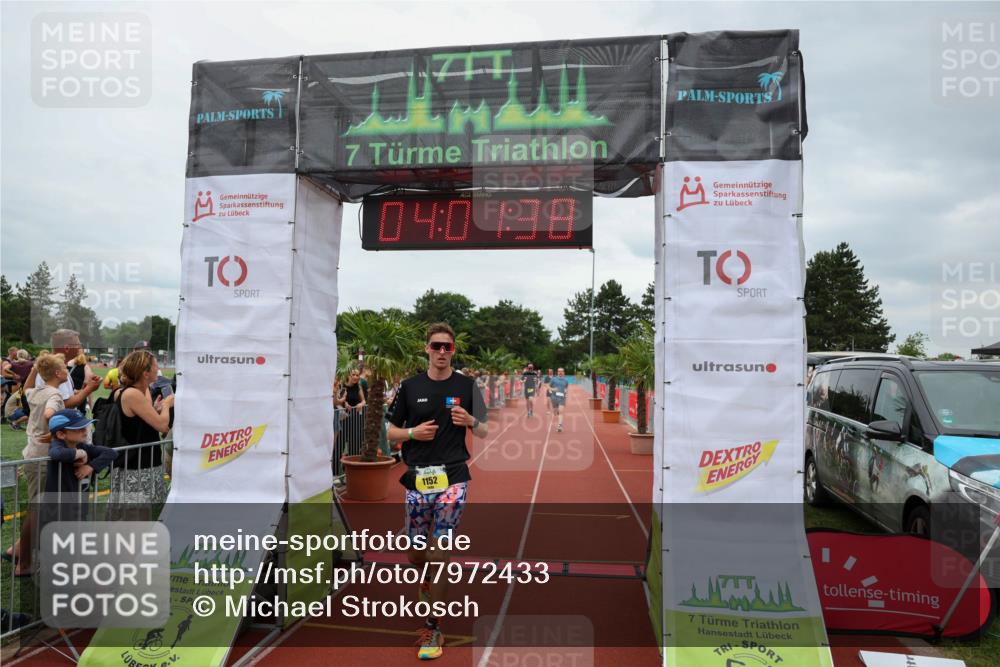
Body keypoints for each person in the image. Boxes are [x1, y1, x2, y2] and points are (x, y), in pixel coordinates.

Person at [386, 323, 488, 661]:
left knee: (440, 552)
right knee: (417, 556)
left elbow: (485, 430)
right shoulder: (409, 386)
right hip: (417, 479)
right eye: (436, 346)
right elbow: (389, 433)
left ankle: (433, 627)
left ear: (453, 350)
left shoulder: (467, 386)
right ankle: (426, 580)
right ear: (426, 349)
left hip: (454, 476)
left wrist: (471, 421)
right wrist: (413, 433)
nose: (442, 352)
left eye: (447, 347)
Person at [5, 353, 69, 575]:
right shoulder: (55, 395)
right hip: (42, 457)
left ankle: (22, 554)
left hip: (33, 455)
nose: (67, 370)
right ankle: (23, 564)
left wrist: (33, 371)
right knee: (36, 509)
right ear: (59, 373)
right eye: (64, 367)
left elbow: (28, 388)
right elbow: (52, 413)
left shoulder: (36, 392)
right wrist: (57, 433)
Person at [113, 349, 173, 505]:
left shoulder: (138, 391)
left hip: (142, 464)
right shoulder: (132, 393)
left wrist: (155, 409)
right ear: (145, 373)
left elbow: (144, 421)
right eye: (155, 365)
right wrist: (167, 404)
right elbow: (162, 426)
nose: (158, 368)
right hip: (137, 466)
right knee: (136, 516)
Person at [24, 330, 102, 415]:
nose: (80, 347)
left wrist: (85, 388)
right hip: (57, 425)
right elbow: (65, 404)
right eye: (77, 344)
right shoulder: (54, 368)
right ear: (67, 348)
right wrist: (89, 389)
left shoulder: (54, 365)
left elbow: (64, 395)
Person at [45, 409, 117, 498]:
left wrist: (91, 466)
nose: (85, 431)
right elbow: (57, 454)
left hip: (80, 500)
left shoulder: (82, 445)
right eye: (78, 428)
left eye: (85, 426)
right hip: (58, 503)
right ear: (61, 434)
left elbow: (111, 452)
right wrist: (81, 453)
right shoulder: (56, 444)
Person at [549, 367, 570, 432]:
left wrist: (565, 392)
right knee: (555, 412)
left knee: (561, 412)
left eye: (561, 371)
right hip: (554, 398)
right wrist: (553, 389)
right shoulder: (553, 379)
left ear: (563, 372)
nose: (560, 372)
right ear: (557, 372)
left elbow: (566, 388)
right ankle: (556, 411)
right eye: (559, 371)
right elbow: (548, 386)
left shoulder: (566, 381)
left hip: (562, 398)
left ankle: (559, 426)